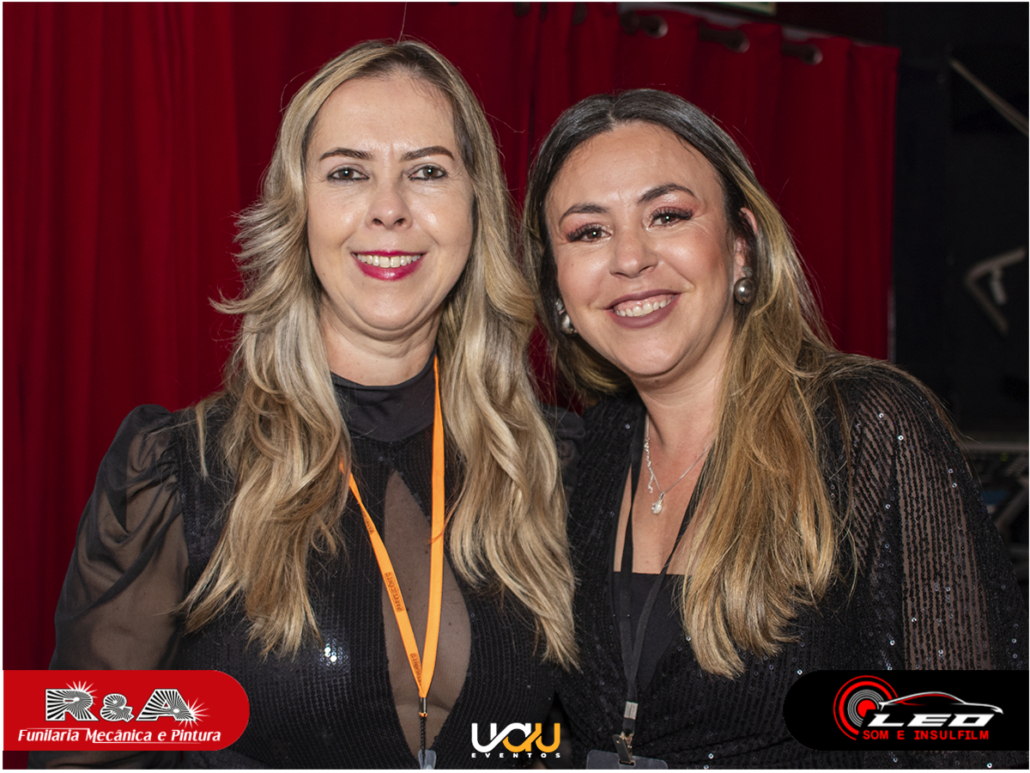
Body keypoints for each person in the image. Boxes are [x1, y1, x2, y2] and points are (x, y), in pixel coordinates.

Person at [34, 40, 577, 769]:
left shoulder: (554, 464)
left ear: (475, 206)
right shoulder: (175, 472)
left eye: (427, 171)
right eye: (348, 172)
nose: (390, 209)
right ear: (297, 210)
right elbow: (75, 750)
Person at [522, 90, 1028, 768]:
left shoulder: (864, 429)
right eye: (589, 232)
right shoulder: (585, 458)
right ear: (557, 288)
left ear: (742, 247)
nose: (631, 258)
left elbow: (975, 739)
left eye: (667, 215)